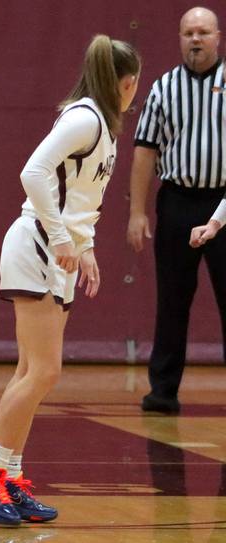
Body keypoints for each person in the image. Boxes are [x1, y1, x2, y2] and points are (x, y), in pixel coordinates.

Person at [0, 35, 141, 526]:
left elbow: (76, 196)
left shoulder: (102, 126)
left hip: (57, 250)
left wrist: (85, 248)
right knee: (44, 371)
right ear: (127, 83)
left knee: (31, 371)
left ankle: (9, 477)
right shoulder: (84, 117)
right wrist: (63, 238)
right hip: (37, 244)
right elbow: (34, 172)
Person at [129, 7, 225, 415]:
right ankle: (163, 391)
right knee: (172, 300)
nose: (196, 39)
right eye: (188, 33)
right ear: (179, 38)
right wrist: (138, 211)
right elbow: (145, 151)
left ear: (218, 37)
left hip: (224, 203)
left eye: (203, 32)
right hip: (178, 201)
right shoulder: (164, 87)